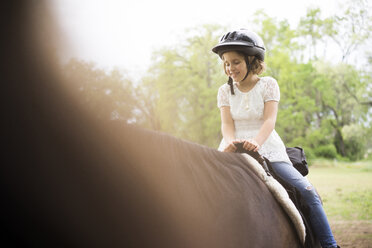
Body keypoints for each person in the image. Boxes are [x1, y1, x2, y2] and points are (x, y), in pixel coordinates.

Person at [212, 28, 339, 248]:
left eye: (235, 62)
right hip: (232, 146)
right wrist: (231, 141)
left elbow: (269, 121)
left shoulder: (268, 85)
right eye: (226, 63)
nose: (230, 68)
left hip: (266, 145)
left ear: (252, 61)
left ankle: (329, 245)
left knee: (307, 191)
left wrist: (257, 143)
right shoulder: (224, 91)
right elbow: (226, 123)